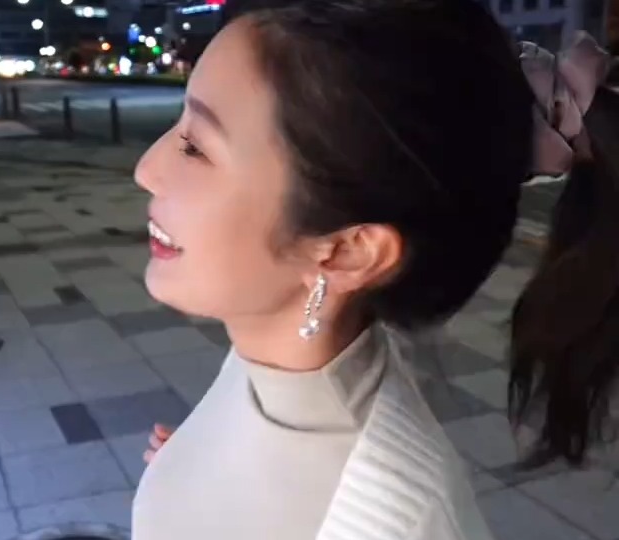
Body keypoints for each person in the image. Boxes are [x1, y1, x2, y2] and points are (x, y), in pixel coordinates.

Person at [131, 0, 616, 538]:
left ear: (348, 251)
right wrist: (197, 471)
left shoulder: (398, 522)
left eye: (195, 147)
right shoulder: (265, 363)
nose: (146, 169)